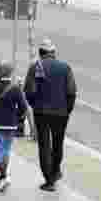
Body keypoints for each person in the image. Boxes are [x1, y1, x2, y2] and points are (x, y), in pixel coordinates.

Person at [24, 38, 77, 192]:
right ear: (53, 53)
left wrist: (35, 105)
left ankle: (49, 179)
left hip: (41, 112)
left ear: (41, 53)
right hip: (61, 113)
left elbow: (29, 91)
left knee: (44, 145)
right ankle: (56, 171)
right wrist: (67, 109)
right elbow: (71, 91)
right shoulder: (65, 68)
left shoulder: (35, 67)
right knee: (58, 143)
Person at [0, 61, 29, 192]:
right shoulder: (15, 89)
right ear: (11, 72)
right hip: (10, 125)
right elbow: (23, 108)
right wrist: (17, 117)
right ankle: (2, 178)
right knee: (5, 151)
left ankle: (4, 175)